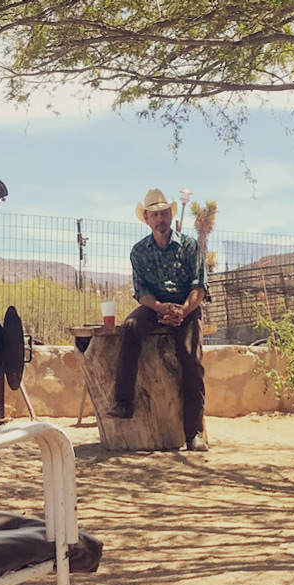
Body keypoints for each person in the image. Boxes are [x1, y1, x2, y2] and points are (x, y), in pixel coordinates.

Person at [110, 188, 210, 452]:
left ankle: (194, 433)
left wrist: (183, 311)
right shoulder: (139, 252)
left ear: (170, 215)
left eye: (164, 213)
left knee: (191, 359)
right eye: (155, 215)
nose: (161, 219)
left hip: (186, 307)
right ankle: (124, 402)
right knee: (130, 327)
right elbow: (141, 291)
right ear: (146, 218)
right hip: (155, 306)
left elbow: (199, 286)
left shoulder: (190, 246)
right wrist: (160, 308)